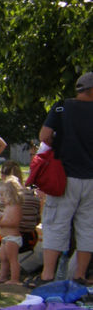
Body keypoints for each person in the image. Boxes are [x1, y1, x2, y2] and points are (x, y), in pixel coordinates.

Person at [35, 72, 93, 285]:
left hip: (64, 176)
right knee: (88, 227)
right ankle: (80, 276)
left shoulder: (62, 108)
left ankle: (48, 275)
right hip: (91, 179)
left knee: (56, 223)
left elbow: (44, 136)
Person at [0, 176, 24, 285]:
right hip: (5, 238)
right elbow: (5, 217)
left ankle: (15, 279)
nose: (1, 198)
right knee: (3, 257)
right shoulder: (8, 207)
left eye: (3, 196)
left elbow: (14, 223)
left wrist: (0, 223)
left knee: (12, 259)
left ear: (10, 195)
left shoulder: (15, 207)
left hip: (12, 238)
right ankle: (3, 276)